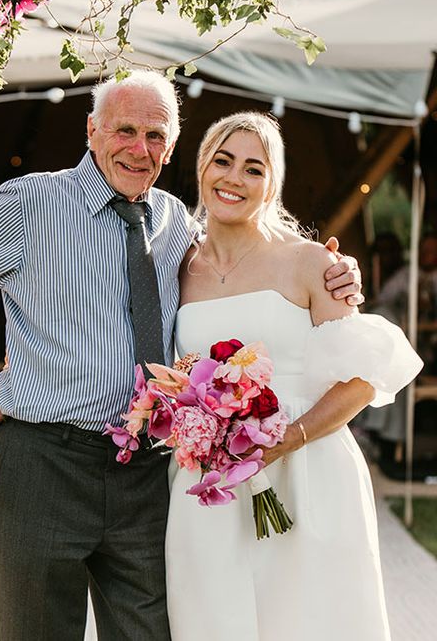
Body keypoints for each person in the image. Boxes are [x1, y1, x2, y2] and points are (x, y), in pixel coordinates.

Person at [0, 73, 362, 640]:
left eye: (156, 135)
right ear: (92, 131)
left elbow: (245, 257)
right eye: (125, 131)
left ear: (172, 146)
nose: (139, 149)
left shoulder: (175, 225)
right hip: (45, 462)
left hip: (146, 471)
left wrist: (329, 268)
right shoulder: (32, 205)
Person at [165, 112, 423, 641]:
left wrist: (291, 437)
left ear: (271, 184)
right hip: (211, 480)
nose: (234, 178)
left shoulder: (309, 263)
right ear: (201, 167)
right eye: (223, 160)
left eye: (253, 168)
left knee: (308, 618)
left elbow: (362, 378)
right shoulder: (176, 265)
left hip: (309, 471)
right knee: (211, 616)